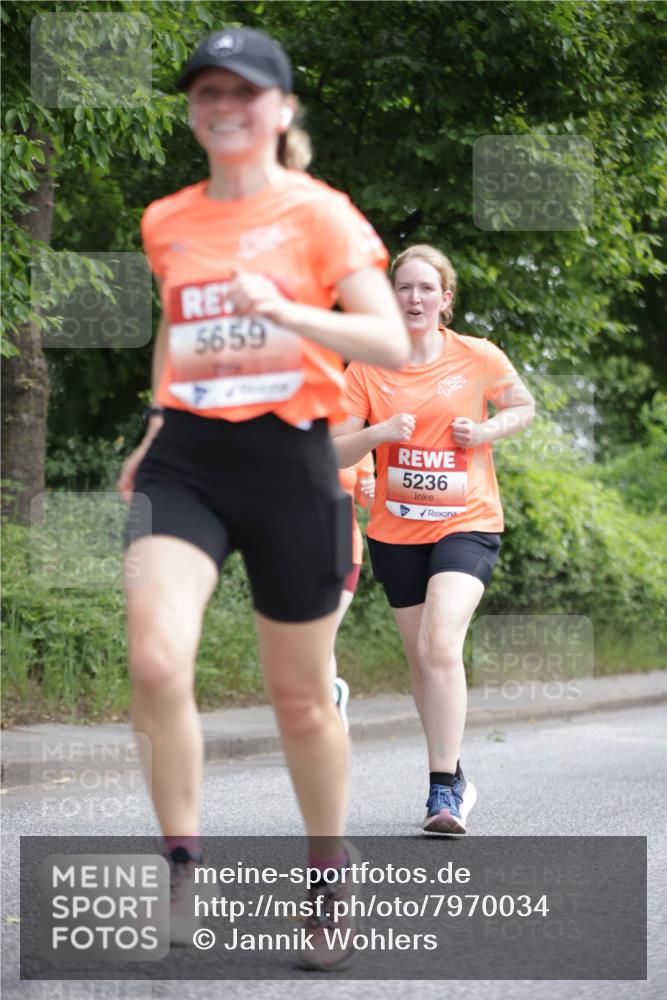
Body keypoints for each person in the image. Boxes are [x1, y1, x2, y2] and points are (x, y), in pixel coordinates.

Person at [116, 26, 409, 967]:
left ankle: (328, 875)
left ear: (281, 112)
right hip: (186, 463)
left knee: (297, 699)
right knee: (158, 663)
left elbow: (390, 343)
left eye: (244, 92)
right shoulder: (168, 218)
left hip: (291, 464)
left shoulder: (321, 216)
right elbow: (175, 329)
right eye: (206, 92)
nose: (223, 106)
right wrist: (156, 423)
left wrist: (284, 310)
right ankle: (182, 866)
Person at [332, 244, 535, 835]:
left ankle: (442, 790)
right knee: (421, 657)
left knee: (440, 643)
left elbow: (523, 405)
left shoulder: (476, 356)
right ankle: (458, 774)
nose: (414, 298)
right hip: (396, 532)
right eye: (403, 288)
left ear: (445, 299)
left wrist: (488, 429)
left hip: (466, 522)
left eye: (426, 289)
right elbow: (331, 450)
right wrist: (378, 433)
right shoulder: (367, 367)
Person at [330, 453, 375, 731]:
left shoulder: (355, 437)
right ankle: (332, 694)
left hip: (341, 543)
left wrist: (369, 491)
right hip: (294, 543)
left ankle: (322, 725)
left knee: (322, 635)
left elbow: (368, 503)